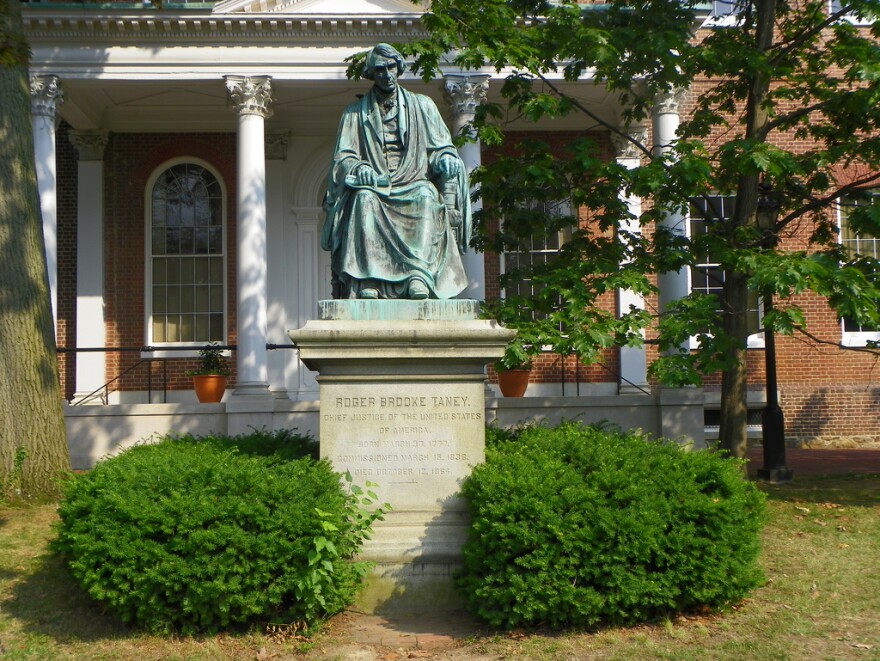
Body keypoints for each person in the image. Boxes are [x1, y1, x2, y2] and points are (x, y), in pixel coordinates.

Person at [321, 43, 471, 300]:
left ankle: (418, 276)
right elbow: (343, 157)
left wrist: (446, 158)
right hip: (375, 186)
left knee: (426, 196)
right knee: (363, 199)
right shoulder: (354, 114)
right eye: (380, 69)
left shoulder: (422, 106)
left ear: (399, 68)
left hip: (413, 182)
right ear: (372, 73)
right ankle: (369, 277)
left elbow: (442, 147)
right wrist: (359, 167)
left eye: (391, 67)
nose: (386, 74)